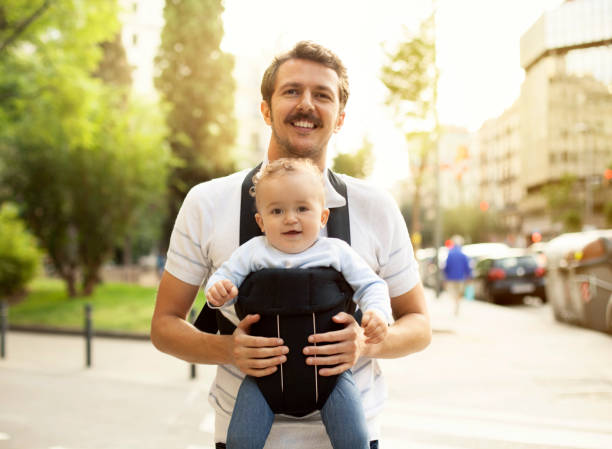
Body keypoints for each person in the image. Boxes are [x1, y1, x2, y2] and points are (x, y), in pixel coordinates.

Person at [151, 41, 431, 449]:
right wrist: (229, 349)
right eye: (291, 91)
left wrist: (368, 341)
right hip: (243, 434)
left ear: (339, 118)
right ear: (265, 109)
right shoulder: (207, 202)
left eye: (322, 95)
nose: (306, 104)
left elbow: (419, 326)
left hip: (353, 434)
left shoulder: (376, 206)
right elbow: (164, 326)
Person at [206, 158, 391, 449]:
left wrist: (377, 313)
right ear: (261, 221)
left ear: (323, 216)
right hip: (263, 377)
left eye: (302, 208)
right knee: (240, 441)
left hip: (330, 377)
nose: (290, 218)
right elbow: (222, 278)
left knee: (356, 440)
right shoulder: (252, 252)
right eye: (277, 210)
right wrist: (218, 291)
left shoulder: (337, 252)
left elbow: (372, 285)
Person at [443, 235, 472, 316]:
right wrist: (469, 276)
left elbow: (446, 266)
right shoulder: (463, 254)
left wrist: (445, 276)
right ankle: (457, 303)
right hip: (460, 277)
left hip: (451, 277)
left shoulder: (450, 254)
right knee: (459, 292)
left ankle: (456, 303)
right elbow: (467, 267)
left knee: (452, 292)